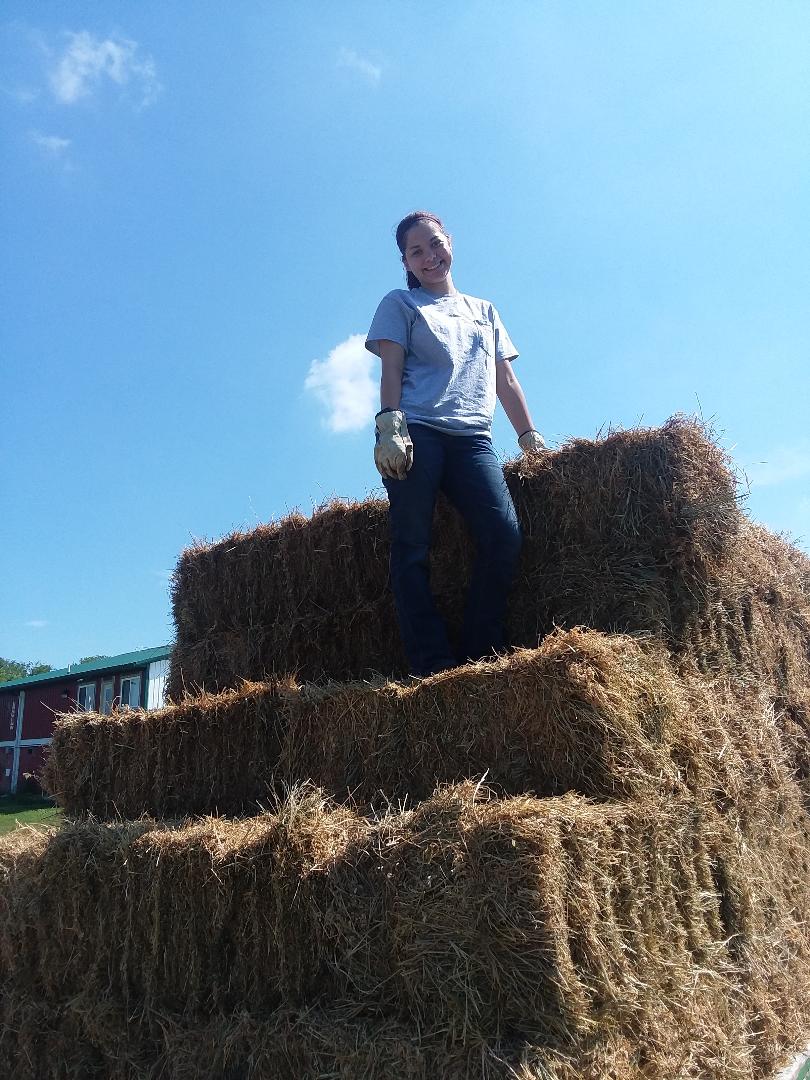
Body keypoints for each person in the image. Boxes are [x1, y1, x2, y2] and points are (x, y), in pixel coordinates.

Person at [365, 210, 547, 677]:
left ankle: (481, 653)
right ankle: (433, 664)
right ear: (405, 261)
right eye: (416, 251)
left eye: (435, 244)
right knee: (412, 546)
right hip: (419, 431)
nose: (430, 256)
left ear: (450, 242)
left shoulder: (485, 311)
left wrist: (529, 437)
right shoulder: (401, 304)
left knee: (503, 536)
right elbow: (390, 370)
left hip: (473, 438)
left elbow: (506, 379)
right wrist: (390, 424)